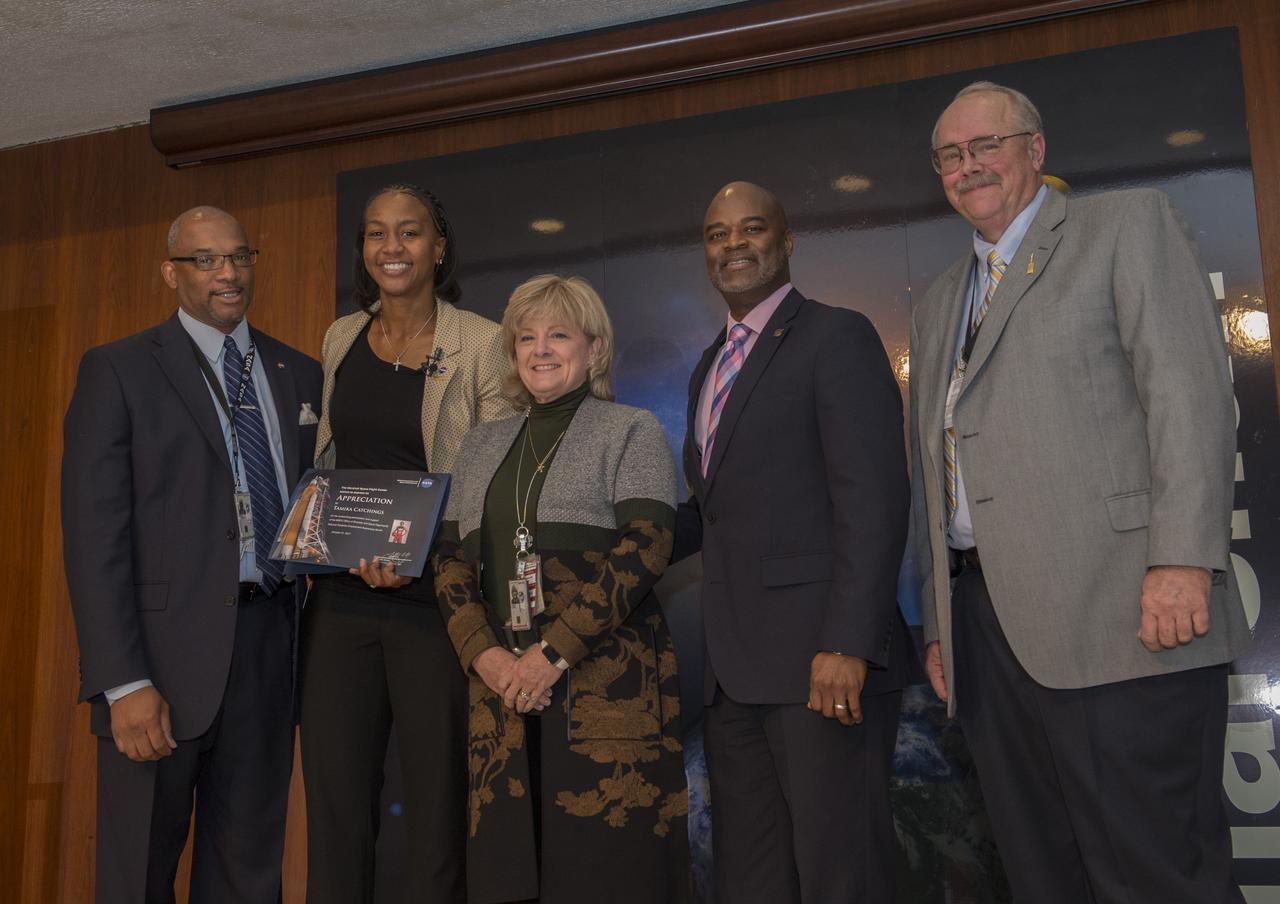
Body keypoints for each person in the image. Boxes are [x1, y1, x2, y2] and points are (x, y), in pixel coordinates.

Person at [911, 81, 1251, 903]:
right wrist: (940, 623)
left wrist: (1180, 560)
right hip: (988, 638)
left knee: (1157, 872)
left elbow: (1190, 396)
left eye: (987, 145)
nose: (969, 166)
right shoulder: (939, 300)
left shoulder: (1124, 227)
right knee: (1043, 875)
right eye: (950, 156)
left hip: (1124, 615)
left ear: (1036, 148)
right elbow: (934, 470)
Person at [61, 206, 322, 903]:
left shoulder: (300, 373)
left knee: (248, 874)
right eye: (206, 259)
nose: (228, 273)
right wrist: (122, 682)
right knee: (138, 874)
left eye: (239, 256)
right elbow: (94, 538)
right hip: (159, 670)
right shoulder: (117, 370)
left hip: (269, 652)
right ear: (170, 273)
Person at [674, 181, 912, 903]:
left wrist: (848, 642)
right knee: (753, 880)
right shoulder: (709, 365)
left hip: (822, 668)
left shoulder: (836, 335)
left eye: (752, 229)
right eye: (718, 234)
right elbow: (713, 512)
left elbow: (873, 497)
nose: (734, 245)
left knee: (844, 874)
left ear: (786, 240)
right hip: (733, 677)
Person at [434, 274, 691, 904]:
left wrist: (550, 657)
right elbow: (446, 559)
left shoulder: (631, 430)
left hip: (603, 689)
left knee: (608, 874)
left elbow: (646, 547)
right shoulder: (478, 445)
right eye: (526, 337)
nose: (541, 349)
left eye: (559, 334)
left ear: (595, 349)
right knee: (509, 872)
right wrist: (486, 657)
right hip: (501, 695)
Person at [300, 183, 507, 903]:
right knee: (334, 806)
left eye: (410, 233)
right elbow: (331, 458)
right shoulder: (339, 337)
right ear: (362, 250)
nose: (392, 248)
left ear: (439, 247)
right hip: (338, 604)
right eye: (376, 234)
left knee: (438, 806)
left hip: (436, 608)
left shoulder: (482, 343)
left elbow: (492, 479)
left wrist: (418, 556)